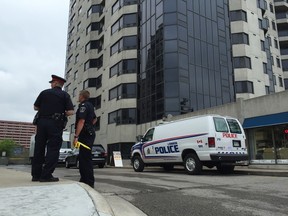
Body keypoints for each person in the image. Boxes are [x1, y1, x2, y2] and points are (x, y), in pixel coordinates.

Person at [31, 74, 74, 182]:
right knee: (53, 149)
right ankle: (46, 175)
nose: (51, 85)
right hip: (55, 123)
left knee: (39, 148)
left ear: (55, 83)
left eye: (51, 83)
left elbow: (35, 107)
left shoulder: (44, 93)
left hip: (41, 123)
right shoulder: (65, 95)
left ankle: (36, 175)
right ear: (61, 85)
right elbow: (70, 111)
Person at [73, 90, 97, 188]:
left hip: (85, 135)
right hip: (89, 133)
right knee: (83, 158)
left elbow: (81, 121)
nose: (78, 97)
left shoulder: (83, 106)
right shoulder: (90, 105)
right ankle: (84, 179)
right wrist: (90, 126)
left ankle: (89, 181)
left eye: (79, 95)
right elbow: (95, 119)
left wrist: (76, 136)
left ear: (82, 96)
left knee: (85, 159)